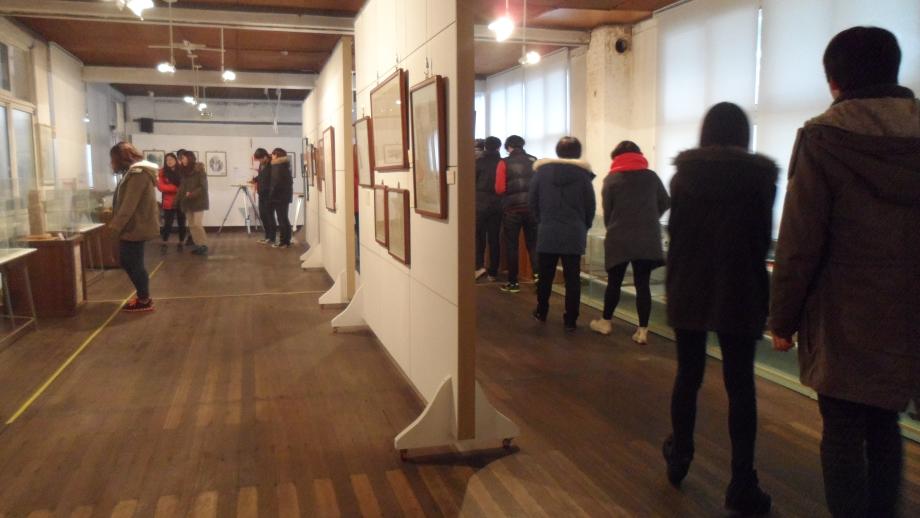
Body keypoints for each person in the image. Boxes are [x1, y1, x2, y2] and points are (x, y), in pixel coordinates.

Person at [769, 27, 920, 518]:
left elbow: (799, 242)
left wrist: (782, 320)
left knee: (842, 430)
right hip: (907, 318)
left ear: (834, 81)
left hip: (842, 317)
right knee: (886, 425)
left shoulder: (823, 138)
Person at [662, 102, 777, 515]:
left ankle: (680, 455)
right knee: (741, 384)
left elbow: (677, 235)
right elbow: (761, 240)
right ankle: (742, 482)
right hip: (740, 286)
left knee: (688, 374)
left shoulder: (683, 177)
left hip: (689, 284)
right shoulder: (761, 180)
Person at [589, 141, 670, 343]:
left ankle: (606, 322)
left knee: (614, 282)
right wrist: (651, 218)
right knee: (643, 284)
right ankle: (642, 330)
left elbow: (608, 210)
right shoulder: (651, 177)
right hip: (647, 237)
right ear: (639, 155)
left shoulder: (612, 179)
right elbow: (665, 201)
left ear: (616, 157)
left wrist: (613, 226)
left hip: (619, 237)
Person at [529, 136, 595, 332]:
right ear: (578, 152)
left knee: (545, 276)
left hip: (547, 230)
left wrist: (542, 221)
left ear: (558, 151)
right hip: (574, 232)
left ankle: (541, 311)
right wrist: (584, 226)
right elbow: (590, 206)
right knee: (572, 279)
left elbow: (532, 202)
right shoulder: (583, 176)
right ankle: (571, 319)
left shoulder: (541, 173)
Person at [108, 142, 160, 312]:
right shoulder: (133, 173)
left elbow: (129, 205)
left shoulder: (138, 174)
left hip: (135, 227)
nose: (111, 163)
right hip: (133, 226)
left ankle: (144, 300)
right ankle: (143, 297)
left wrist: (114, 227)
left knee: (133, 263)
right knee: (130, 261)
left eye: (113, 159)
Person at [495, 135, 537, 293]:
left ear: (508, 147)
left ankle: (513, 283)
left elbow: (500, 189)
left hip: (512, 210)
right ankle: (539, 280)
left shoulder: (504, 162)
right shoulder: (534, 160)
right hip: (532, 209)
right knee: (533, 244)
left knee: (512, 246)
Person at [475, 136, 503, 282]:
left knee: (478, 237)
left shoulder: (478, 162)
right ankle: (493, 272)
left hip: (479, 204)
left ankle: (478, 267)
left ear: (485, 147)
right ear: (499, 147)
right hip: (497, 204)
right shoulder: (503, 163)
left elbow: (472, 182)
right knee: (494, 238)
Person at [176, 150, 210, 256]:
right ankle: (198, 245)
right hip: (187, 202)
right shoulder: (183, 171)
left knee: (197, 224)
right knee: (191, 225)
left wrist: (192, 194)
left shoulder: (200, 171)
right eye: (181, 158)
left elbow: (203, 187)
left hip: (198, 201)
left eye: (183, 158)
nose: (182, 160)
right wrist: (176, 199)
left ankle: (203, 245)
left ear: (189, 158)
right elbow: (182, 187)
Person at [157, 152, 186, 251]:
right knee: (167, 223)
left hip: (181, 200)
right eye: (167, 160)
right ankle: (165, 241)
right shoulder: (162, 172)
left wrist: (172, 188)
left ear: (175, 160)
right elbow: (160, 187)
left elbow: (185, 185)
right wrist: (175, 188)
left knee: (182, 222)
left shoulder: (182, 171)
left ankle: (181, 241)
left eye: (171, 159)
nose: (169, 161)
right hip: (168, 201)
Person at [269, 148, 294, 248]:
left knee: (282, 219)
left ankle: (283, 242)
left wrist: (271, 196)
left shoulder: (277, 166)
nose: (271, 156)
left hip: (279, 197)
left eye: (273, 154)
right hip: (285, 196)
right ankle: (287, 240)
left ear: (277, 155)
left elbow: (275, 183)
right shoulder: (285, 165)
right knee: (284, 218)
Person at [252, 148, 276, 245]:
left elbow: (273, 179)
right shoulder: (262, 164)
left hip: (269, 195)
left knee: (269, 216)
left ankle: (272, 237)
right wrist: (255, 179)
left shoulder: (272, 164)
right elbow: (262, 175)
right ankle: (267, 236)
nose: (259, 161)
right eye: (258, 160)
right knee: (263, 215)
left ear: (265, 156)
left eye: (260, 159)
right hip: (261, 194)